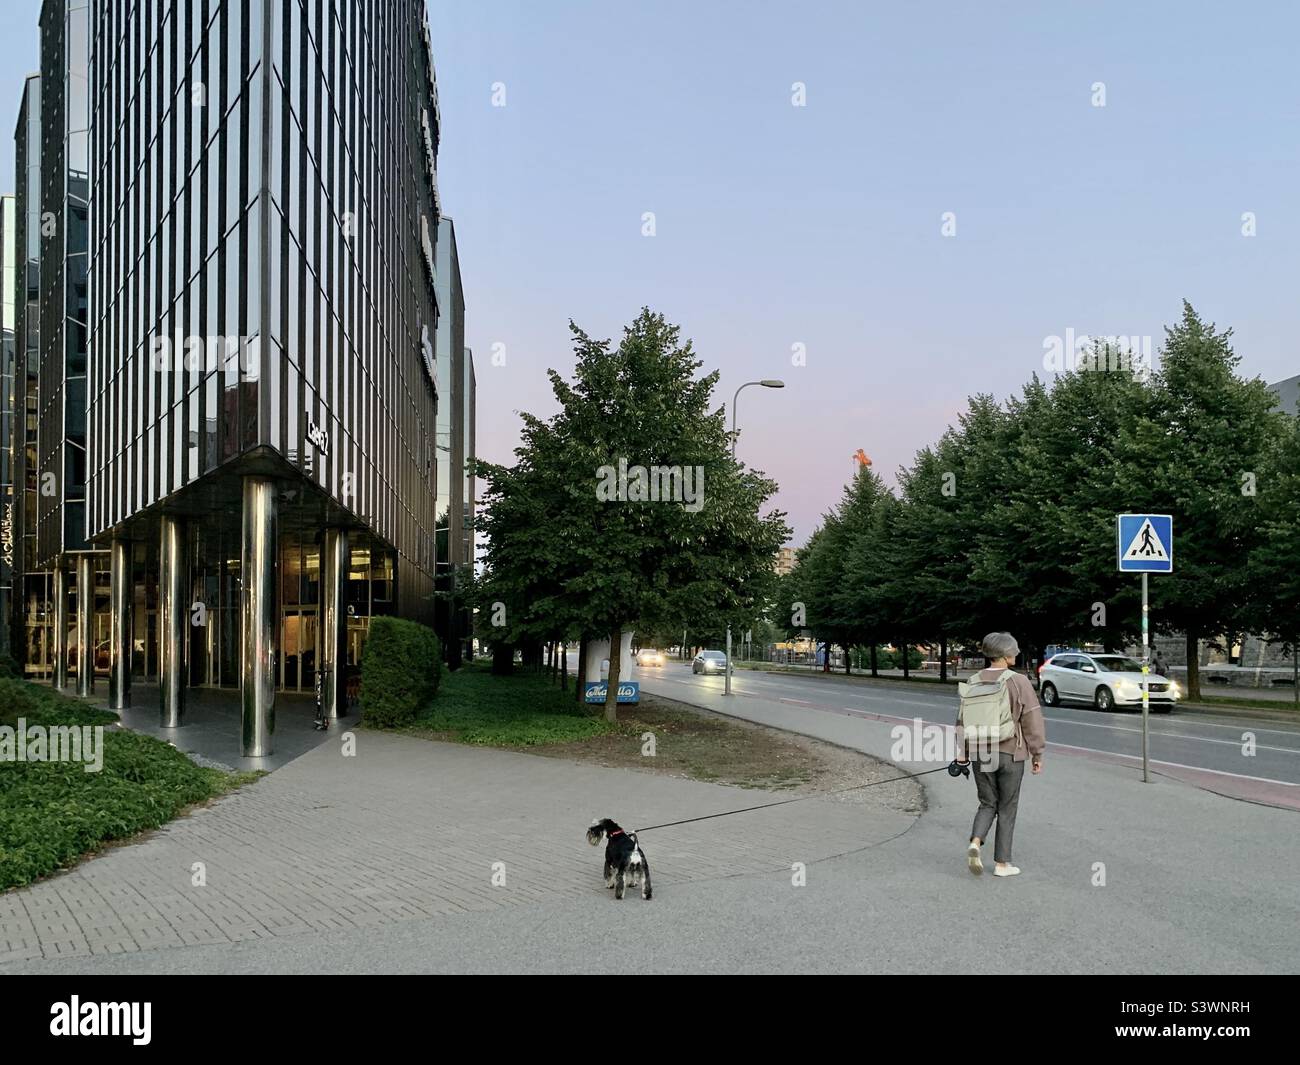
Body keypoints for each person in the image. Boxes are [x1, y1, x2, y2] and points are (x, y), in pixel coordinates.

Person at [958, 632, 1046, 878]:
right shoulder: (1018, 681)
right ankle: (1002, 864)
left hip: (979, 752)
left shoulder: (973, 680)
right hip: (1010, 752)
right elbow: (1031, 719)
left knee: (987, 802)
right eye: (1014, 652)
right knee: (1007, 807)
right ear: (1006, 655)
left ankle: (976, 842)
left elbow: (962, 721)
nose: (1016, 655)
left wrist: (963, 754)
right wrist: (1037, 753)